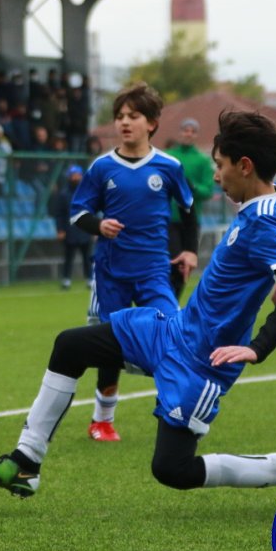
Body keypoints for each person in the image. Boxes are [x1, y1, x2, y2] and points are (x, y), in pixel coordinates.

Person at [0, 110, 276, 498]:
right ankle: (25, 463)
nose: (216, 176)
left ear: (244, 165)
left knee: (172, 470)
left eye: (219, 166)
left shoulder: (266, 222)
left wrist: (258, 347)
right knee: (70, 345)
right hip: (171, 330)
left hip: (200, 362)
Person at [68, 82, 198, 442]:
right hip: (111, 271)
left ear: (152, 123)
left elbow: (189, 213)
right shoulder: (101, 167)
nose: (125, 122)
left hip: (155, 268)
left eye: (133, 116)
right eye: (120, 116)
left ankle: (177, 412)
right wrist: (99, 224)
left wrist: (190, 250)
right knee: (111, 341)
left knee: (173, 335)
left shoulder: (169, 166)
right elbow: (77, 213)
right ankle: (102, 421)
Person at [167, 118, 217, 300]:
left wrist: (191, 187)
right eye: (185, 130)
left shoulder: (202, 161)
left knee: (184, 266)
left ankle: (172, 303)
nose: (188, 134)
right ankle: (164, 303)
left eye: (192, 131)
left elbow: (208, 190)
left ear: (196, 135)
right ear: (180, 132)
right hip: (168, 219)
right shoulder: (169, 157)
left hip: (190, 221)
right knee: (171, 262)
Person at [52, 165, 93, 290]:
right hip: (70, 230)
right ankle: (66, 280)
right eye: (74, 175)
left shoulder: (87, 193)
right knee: (68, 257)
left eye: (78, 175)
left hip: (85, 229)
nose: (76, 177)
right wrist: (60, 230)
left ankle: (89, 279)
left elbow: (92, 211)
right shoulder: (63, 195)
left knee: (87, 257)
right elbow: (59, 214)